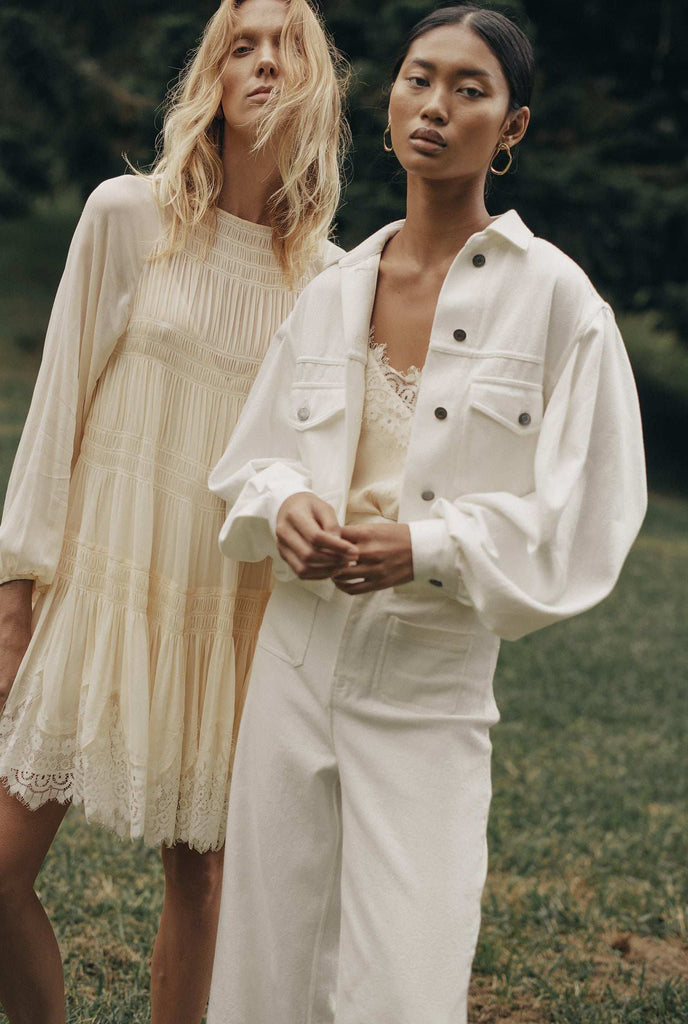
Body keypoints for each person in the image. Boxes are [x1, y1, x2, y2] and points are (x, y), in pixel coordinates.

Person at [206, 5, 647, 1022]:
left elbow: (591, 512)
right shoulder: (333, 289)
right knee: (268, 970)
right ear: (391, 98)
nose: (435, 106)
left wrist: (431, 547)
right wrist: (285, 504)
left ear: (513, 126)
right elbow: (250, 462)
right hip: (294, 665)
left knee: (406, 982)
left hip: (428, 682)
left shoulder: (559, 303)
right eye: (418, 78)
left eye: (469, 88)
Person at [0, 1, 348, 1021]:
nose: (265, 62)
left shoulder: (332, 283)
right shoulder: (126, 215)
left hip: (228, 614)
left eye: (287, 47)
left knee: (203, 883)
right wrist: (15, 592)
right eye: (243, 45)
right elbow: (56, 407)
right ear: (213, 76)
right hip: (95, 586)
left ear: (316, 85)